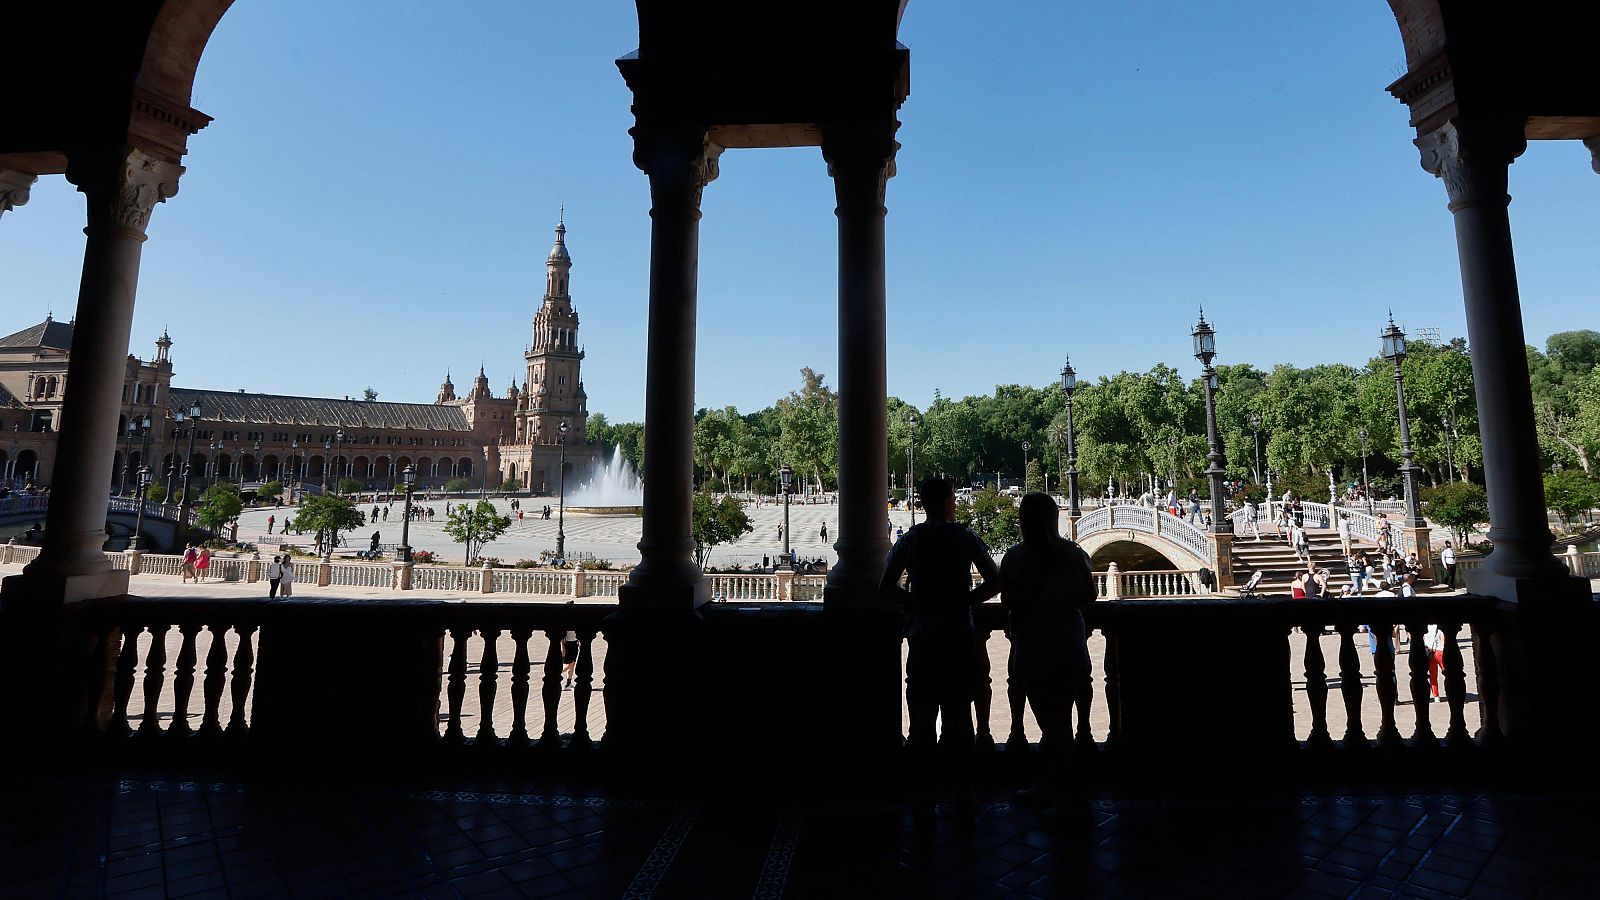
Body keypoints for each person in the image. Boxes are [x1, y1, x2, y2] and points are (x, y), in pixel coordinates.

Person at [880, 477, 1000, 805]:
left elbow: (886, 587)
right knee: (958, 716)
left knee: (921, 716)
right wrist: (966, 600)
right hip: (959, 635)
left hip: (923, 636)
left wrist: (914, 603)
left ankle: (923, 790)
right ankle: (960, 789)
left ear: (921, 503)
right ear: (949, 502)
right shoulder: (964, 537)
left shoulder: (910, 541)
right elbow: (995, 581)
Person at [999, 492, 1094, 822]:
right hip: (1070, 641)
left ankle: (1069, 798)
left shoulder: (1015, 558)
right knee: (1063, 723)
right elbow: (1090, 594)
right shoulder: (1075, 554)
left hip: (1035, 645)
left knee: (1052, 727)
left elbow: (1007, 603)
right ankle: (1057, 788)